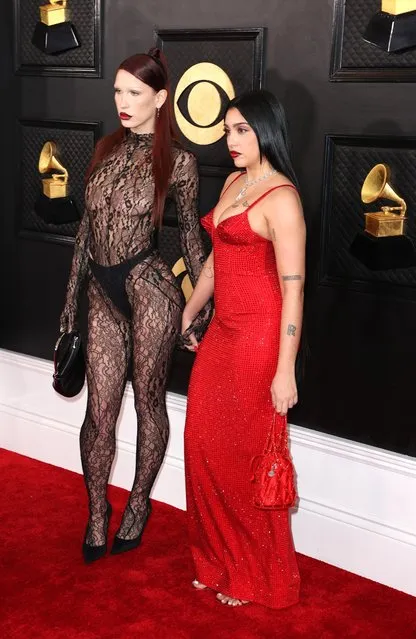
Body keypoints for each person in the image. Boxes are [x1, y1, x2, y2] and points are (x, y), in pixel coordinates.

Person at [60, 48, 211, 563]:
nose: (123, 102)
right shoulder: (105, 149)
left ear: (160, 99)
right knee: (99, 413)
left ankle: (140, 504)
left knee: (149, 404)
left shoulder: (181, 162)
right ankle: (97, 512)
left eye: (135, 93)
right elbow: (85, 230)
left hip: (151, 291)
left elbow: (192, 239)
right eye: (118, 92)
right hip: (101, 294)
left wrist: (203, 311)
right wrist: (69, 303)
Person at [182, 89, 305, 608]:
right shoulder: (234, 182)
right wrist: (191, 308)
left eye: (242, 130)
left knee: (244, 460)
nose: (231, 140)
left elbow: (294, 288)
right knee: (202, 449)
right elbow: (214, 260)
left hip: (259, 343)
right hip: (221, 335)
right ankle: (215, 561)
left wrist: (285, 370)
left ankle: (252, 575)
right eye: (228, 129)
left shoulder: (282, 198)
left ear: (266, 131)